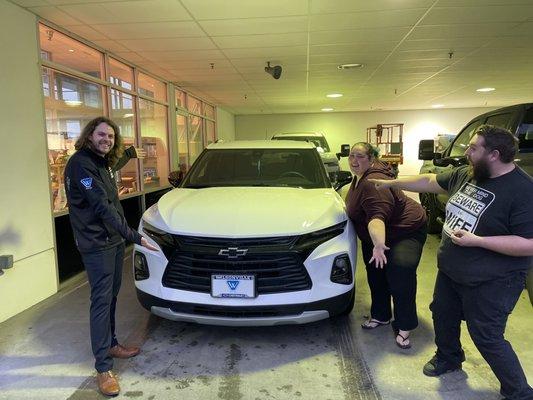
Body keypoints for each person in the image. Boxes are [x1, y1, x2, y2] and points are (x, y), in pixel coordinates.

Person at [369, 125, 533, 400]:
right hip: (452, 271)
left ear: (494, 154)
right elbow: (431, 181)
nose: (467, 152)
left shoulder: (523, 190)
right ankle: (449, 357)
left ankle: (519, 392)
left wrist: (478, 241)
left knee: (487, 336)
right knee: (443, 315)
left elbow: (529, 243)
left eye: (473, 148)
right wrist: (391, 183)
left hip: (494, 279)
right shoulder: (470, 174)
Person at [64, 116, 157, 396]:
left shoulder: (99, 163)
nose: (107, 139)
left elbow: (111, 169)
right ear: (90, 135)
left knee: (112, 296)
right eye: (102, 134)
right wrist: (135, 237)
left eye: (111, 137)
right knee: (101, 303)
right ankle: (103, 368)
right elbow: (102, 207)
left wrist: (128, 154)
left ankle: (112, 344)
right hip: (97, 246)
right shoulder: (80, 163)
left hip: (113, 242)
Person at [345, 142, 427, 349]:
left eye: (360, 156)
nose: (354, 160)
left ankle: (404, 325)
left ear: (372, 159)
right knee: (375, 273)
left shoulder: (372, 182)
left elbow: (377, 217)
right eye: (351, 155)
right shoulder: (360, 178)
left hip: (405, 230)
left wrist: (379, 245)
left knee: (400, 272)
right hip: (377, 236)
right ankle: (381, 315)